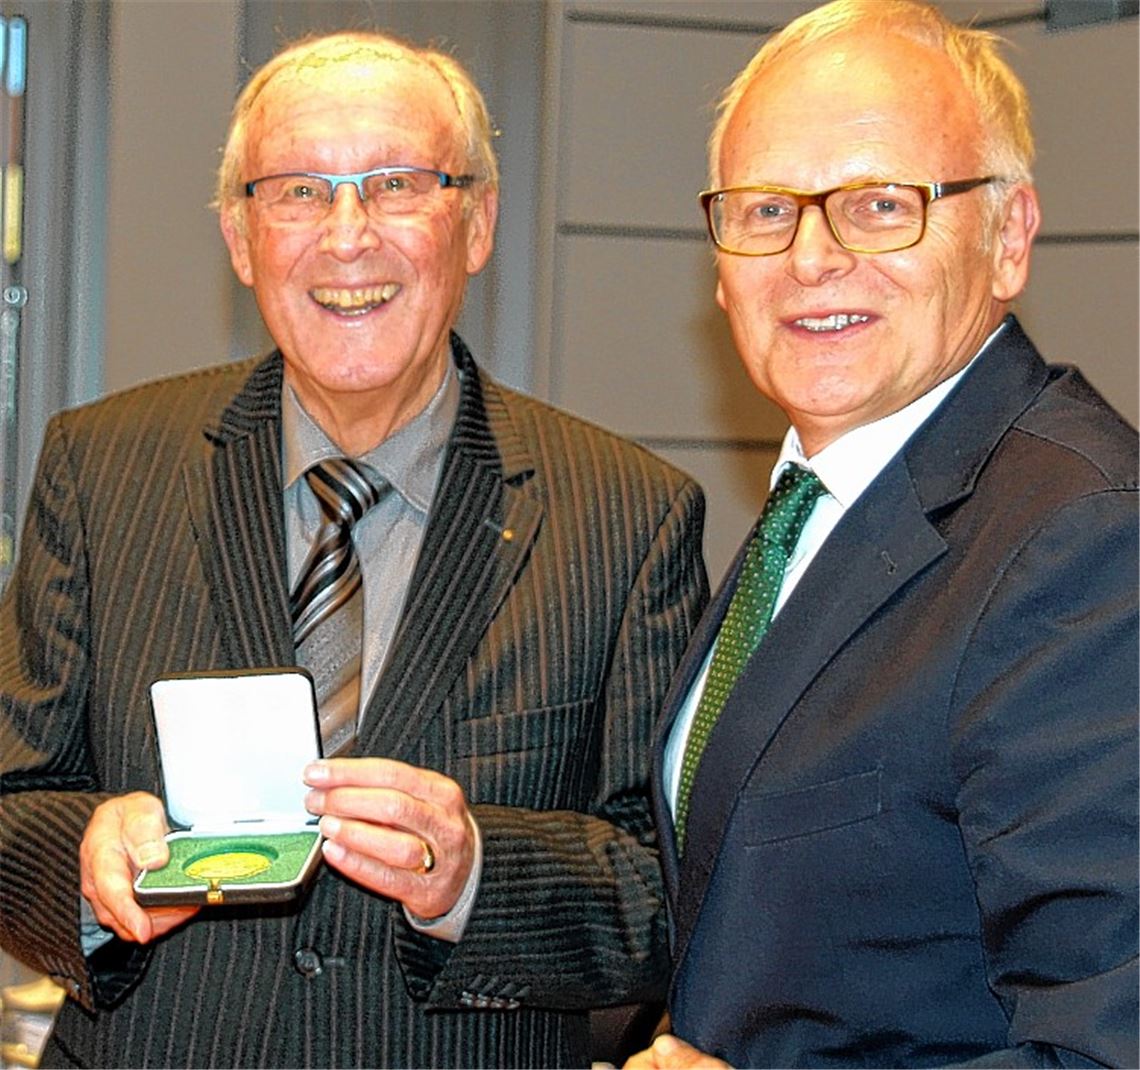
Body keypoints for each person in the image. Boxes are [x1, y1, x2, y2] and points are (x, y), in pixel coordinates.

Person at [0, 31, 708, 1069]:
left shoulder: (627, 516)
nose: (346, 236)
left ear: (477, 223)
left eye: (397, 184)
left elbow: (668, 892)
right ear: (242, 239)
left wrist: (476, 874)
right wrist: (83, 862)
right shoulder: (100, 470)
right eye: (297, 191)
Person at [626, 2, 1139, 1067]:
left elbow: (1105, 1041)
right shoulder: (817, 500)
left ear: (1009, 237)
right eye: (767, 209)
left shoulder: (1083, 544)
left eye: (878, 203)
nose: (812, 255)